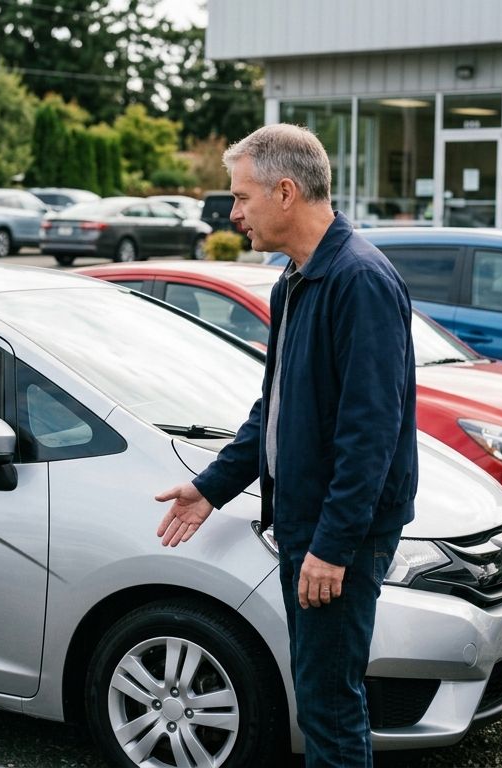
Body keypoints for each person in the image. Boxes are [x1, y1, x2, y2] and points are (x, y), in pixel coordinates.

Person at [154, 124, 417, 768]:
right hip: (309, 526)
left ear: (287, 191)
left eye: (242, 198)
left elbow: (370, 434)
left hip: (337, 537)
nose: (234, 213)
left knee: (328, 703)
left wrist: (331, 548)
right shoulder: (296, 280)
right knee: (319, 694)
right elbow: (271, 411)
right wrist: (210, 486)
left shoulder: (358, 281)